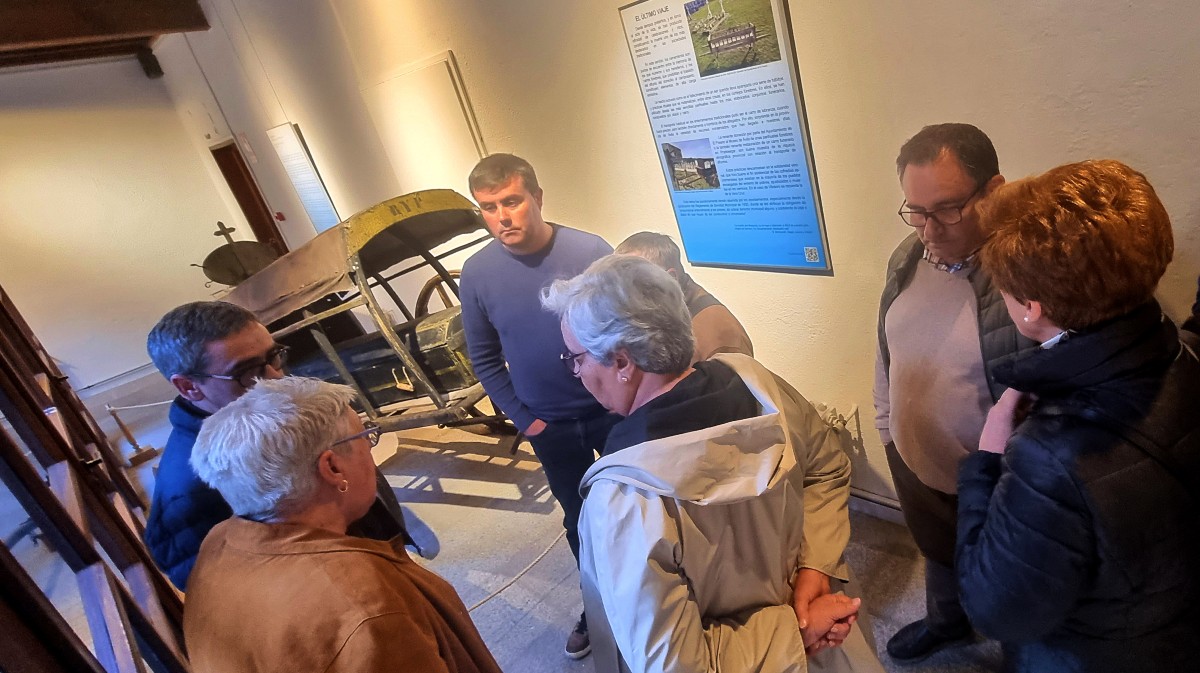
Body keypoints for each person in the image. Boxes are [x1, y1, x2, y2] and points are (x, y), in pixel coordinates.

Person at [543, 255, 883, 673]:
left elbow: (677, 666)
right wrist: (815, 568)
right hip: (831, 646)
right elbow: (828, 468)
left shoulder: (624, 499)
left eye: (575, 358)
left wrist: (799, 630)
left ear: (621, 362)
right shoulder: (756, 383)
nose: (576, 372)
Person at [956, 159, 1200, 672]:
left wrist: (986, 461)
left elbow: (995, 607)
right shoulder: (1187, 354)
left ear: (1030, 308)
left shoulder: (1050, 455)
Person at [184, 377, 502, 673]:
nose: (370, 448)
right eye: (365, 435)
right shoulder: (366, 608)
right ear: (333, 467)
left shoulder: (219, 541)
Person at [872, 123, 1031, 663]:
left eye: (946, 209)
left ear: (995, 190)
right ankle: (946, 622)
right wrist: (888, 427)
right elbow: (887, 344)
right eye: (915, 211)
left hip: (998, 478)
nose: (928, 230)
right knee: (939, 555)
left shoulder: (1026, 269)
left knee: (1010, 584)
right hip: (916, 458)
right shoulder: (906, 257)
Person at [459, 153, 616, 658]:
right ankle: (599, 607)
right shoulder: (478, 273)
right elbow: (484, 358)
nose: (502, 216)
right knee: (579, 522)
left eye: (511, 201)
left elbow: (626, 326)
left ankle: (670, 592)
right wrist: (526, 420)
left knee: (643, 506)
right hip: (549, 425)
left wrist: (631, 400)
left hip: (613, 413)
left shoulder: (590, 250)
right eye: (488, 207)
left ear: (537, 198)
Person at [144, 301, 415, 590]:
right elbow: (237, 594)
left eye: (274, 357)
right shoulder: (190, 494)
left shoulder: (275, 410)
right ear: (188, 387)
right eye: (247, 372)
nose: (275, 377)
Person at [615, 231, 753, 362]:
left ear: (670, 279)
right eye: (616, 279)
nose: (619, 291)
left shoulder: (715, 335)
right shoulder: (661, 311)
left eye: (632, 280)